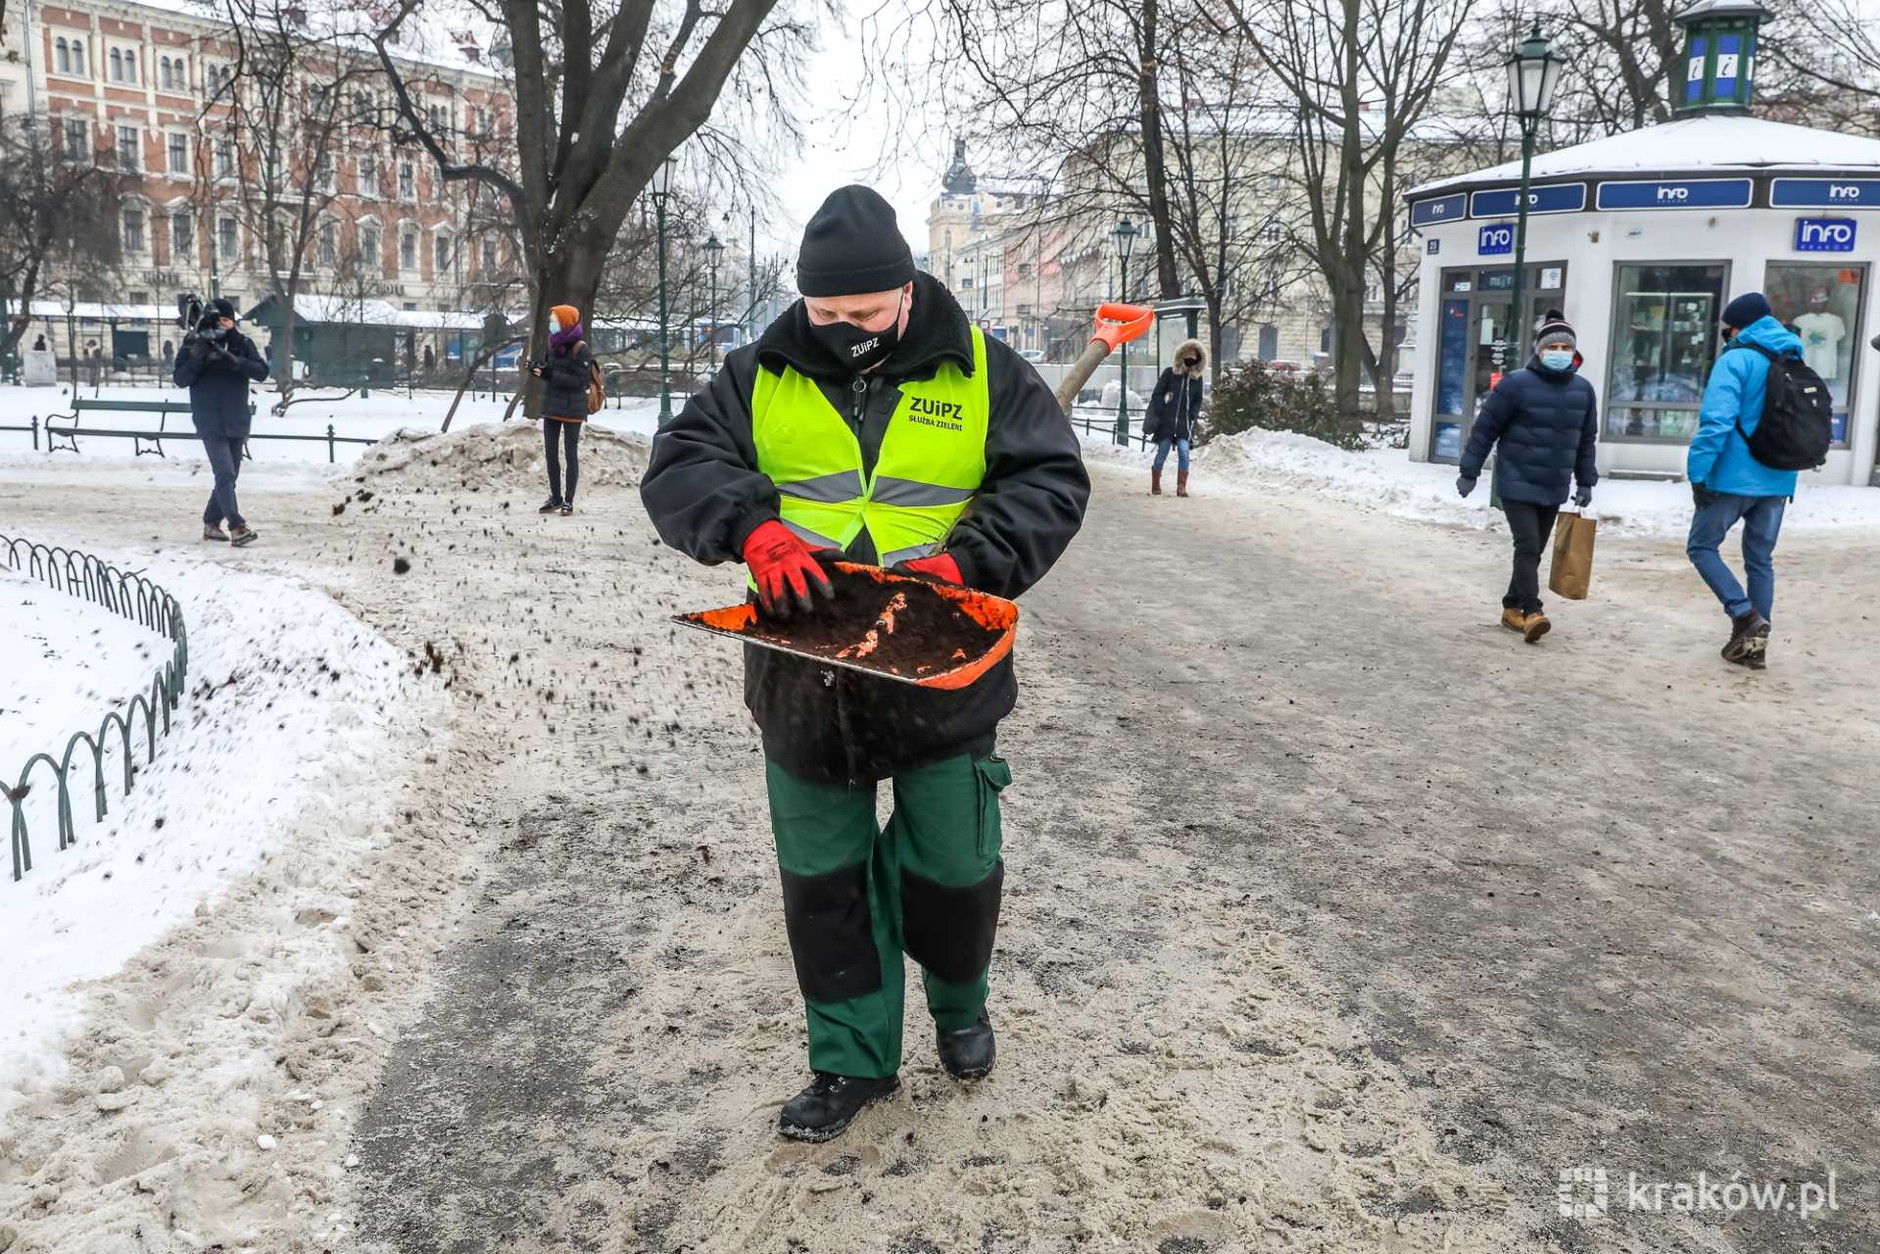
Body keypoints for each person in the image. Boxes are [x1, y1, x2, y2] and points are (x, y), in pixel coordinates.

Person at [641, 185, 1089, 1144]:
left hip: (939, 662)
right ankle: (850, 1061)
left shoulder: (980, 366)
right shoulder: (758, 370)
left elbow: (1050, 480)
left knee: (956, 863)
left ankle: (959, 1006)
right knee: (826, 876)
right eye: (825, 314)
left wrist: (968, 562)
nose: (844, 330)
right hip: (806, 667)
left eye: (865, 314)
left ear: (905, 289)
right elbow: (680, 462)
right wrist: (752, 530)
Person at [1456, 311, 1598, 643]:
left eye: (1566, 346)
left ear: (1573, 352)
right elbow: (1485, 429)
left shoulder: (1583, 391)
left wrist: (1586, 481)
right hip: (1516, 478)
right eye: (1553, 346)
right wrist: (1469, 471)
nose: (1560, 352)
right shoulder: (1516, 384)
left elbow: (1586, 440)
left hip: (1554, 483)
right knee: (1528, 543)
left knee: (1533, 551)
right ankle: (1532, 609)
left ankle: (1510, 607)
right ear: (1539, 350)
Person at [1686, 292, 1802, 670]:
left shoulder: (1735, 360)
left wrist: (1698, 472)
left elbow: (1716, 422)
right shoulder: (1793, 358)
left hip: (1733, 478)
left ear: (1738, 327)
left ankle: (1743, 614)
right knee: (1760, 559)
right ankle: (1754, 647)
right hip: (1779, 477)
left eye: (1727, 329)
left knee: (1701, 547)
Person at [173, 297, 269, 546]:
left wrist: (237, 362)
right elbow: (181, 379)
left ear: (233, 321)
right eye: (218, 320)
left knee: (229, 476)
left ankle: (210, 523)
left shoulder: (242, 343)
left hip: (236, 419)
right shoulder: (194, 343)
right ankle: (237, 526)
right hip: (209, 420)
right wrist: (197, 358)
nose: (222, 325)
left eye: (227, 320)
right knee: (225, 472)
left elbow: (261, 372)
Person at [528, 304, 592, 515]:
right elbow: (551, 371)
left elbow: (580, 382)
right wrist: (538, 369)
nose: (551, 323)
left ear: (566, 322)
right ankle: (555, 497)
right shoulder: (552, 345)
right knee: (550, 453)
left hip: (572, 409)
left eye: (555, 319)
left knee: (570, 453)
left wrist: (549, 375)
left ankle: (568, 500)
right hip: (552, 406)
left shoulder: (581, 348)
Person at [1144, 339, 1206, 497]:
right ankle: (1156, 482)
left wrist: (1193, 414)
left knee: (1184, 452)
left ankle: (1181, 487)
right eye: (1188, 353)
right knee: (1162, 451)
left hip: (1184, 424)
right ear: (1182, 354)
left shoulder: (1196, 379)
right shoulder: (1169, 373)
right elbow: (1157, 394)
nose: (1191, 356)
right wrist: (1162, 405)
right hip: (1167, 422)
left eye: (1194, 354)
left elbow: (1198, 399)